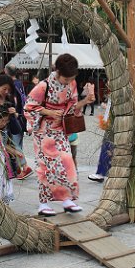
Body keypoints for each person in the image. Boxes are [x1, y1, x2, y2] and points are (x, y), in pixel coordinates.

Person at [24, 53, 95, 216]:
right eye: (66, 79)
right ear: (57, 72)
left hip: (60, 130)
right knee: (45, 167)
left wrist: (85, 102)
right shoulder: (43, 86)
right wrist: (49, 111)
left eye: (71, 79)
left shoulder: (72, 83)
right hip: (43, 132)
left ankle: (67, 199)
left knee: (67, 161)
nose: (69, 82)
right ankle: (43, 203)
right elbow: (28, 106)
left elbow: (72, 107)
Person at [4, 64, 33, 180]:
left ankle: (25, 167)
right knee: (18, 143)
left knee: (14, 144)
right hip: (22, 116)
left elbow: (15, 102)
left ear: (6, 72)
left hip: (16, 117)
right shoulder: (19, 83)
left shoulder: (12, 85)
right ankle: (19, 167)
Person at [0, 106, 20, 205]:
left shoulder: (4, 130)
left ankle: (3, 206)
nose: (4, 123)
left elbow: (4, 145)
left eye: (6, 121)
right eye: (2, 120)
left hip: (2, 162)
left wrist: (15, 152)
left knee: (4, 184)